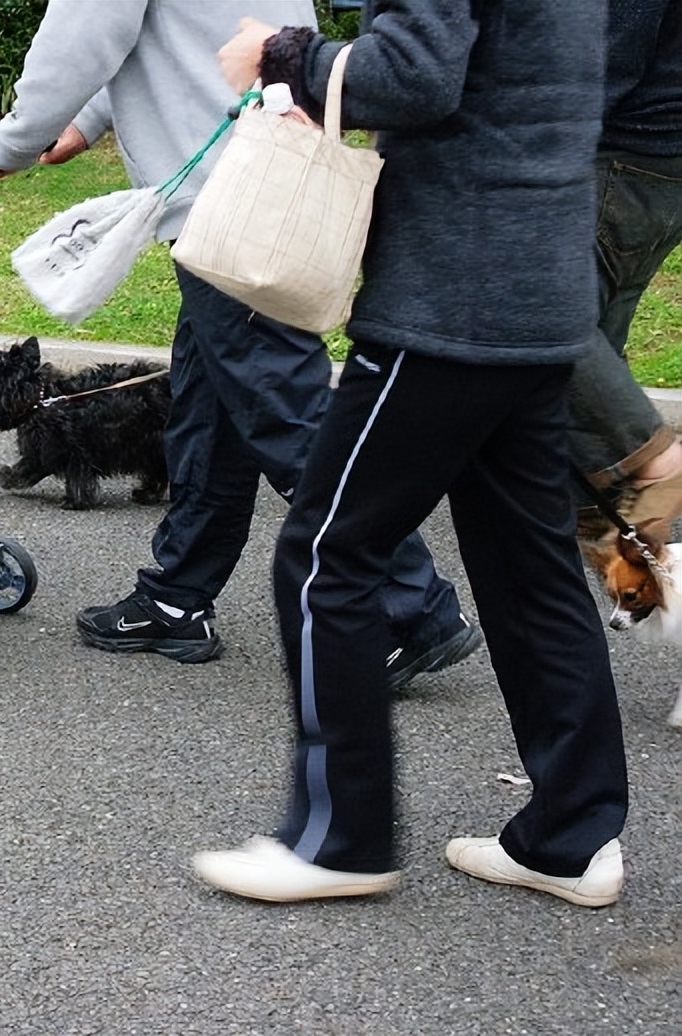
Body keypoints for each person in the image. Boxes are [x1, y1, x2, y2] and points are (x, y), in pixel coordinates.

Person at [192, 2, 629, 906]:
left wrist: (282, 55)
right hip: (542, 281)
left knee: (326, 555)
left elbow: (419, 72)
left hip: (450, 294)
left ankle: (338, 842)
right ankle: (571, 840)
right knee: (530, 568)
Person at [0, 0, 479, 686]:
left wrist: (5, 148)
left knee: (288, 416)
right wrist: (86, 122)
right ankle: (177, 597)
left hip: (234, 206)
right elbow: (178, 35)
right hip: (264, 183)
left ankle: (411, 606)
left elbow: (85, 34)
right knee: (208, 416)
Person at [568, 0, 682, 538]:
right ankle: (595, 515)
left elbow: (609, 59)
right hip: (656, 158)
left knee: (543, 317)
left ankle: (651, 458)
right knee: (594, 341)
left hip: (625, 153)